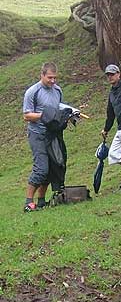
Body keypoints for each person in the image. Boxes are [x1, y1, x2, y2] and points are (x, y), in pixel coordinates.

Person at [22, 62, 66, 212]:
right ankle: (29, 202)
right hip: (37, 134)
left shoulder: (58, 91)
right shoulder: (32, 92)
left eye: (55, 78)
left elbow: (59, 109)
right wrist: (44, 116)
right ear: (42, 75)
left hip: (52, 134)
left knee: (51, 168)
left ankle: (41, 201)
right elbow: (26, 115)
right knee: (41, 168)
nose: (53, 81)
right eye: (49, 78)